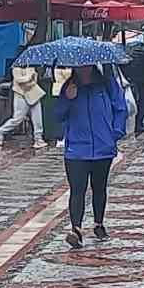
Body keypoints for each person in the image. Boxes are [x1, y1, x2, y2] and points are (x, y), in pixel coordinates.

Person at [56, 64, 127, 248]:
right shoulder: (69, 87)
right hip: (77, 149)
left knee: (99, 188)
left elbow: (120, 107)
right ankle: (76, 229)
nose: (83, 69)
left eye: (86, 66)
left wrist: (115, 133)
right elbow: (57, 115)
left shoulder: (106, 84)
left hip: (103, 148)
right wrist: (68, 99)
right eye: (79, 67)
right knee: (77, 189)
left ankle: (98, 223)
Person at [0, 59, 47, 149]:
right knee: (17, 118)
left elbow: (33, 81)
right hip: (20, 95)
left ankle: (38, 139)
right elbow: (19, 80)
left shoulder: (31, 67)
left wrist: (28, 80)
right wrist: (28, 78)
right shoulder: (15, 68)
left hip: (33, 93)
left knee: (38, 117)